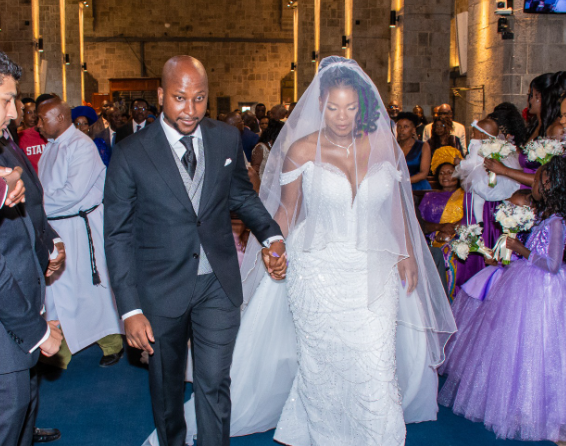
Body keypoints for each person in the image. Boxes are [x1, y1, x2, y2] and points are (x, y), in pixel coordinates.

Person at [143, 56, 457, 446]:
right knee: (322, 363)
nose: (341, 117)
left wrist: (406, 252)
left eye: (350, 107)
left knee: (374, 361)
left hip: (374, 270)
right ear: (320, 105)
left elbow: (396, 207)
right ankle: (324, 434)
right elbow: (287, 210)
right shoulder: (303, 149)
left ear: (363, 106)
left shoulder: (383, 145)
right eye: (332, 107)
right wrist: (272, 245)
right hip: (317, 270)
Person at [104, 55, 286, 446]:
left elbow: (240, 194)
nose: (191, 110)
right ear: (161, 95)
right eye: (180, 98)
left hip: (217, 284)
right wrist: (130, 309)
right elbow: (117, 234)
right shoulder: (131, 152)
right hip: (160, 289)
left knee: (215, 383)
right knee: (168, 391)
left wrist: (272, 234)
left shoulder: (224, 137)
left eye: (199, 99)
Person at [439, 156, 566, 443]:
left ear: (549, 184)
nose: (532, 183)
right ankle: (520, 404)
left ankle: (541, 410)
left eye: (537, 180)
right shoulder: (545, 216)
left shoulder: (557, 221)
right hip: (526, 284)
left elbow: (554, 264)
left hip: (543, 291)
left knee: (540, 348)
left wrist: (521, 248)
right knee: (518, 347)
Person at [0, 50, 63, 446]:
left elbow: (31, 206)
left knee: (22, 412)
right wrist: (37, 332)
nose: (13, 112)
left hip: (22, 308)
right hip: (9, 324)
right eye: (5, 100)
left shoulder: (5, 142)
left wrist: (49, 242)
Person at [36, 97, 124, 369]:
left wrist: (34, 206)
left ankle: (112, 342)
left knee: (90, 290)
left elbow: (72, 194)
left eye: (42, 119)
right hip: (56, 228)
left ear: (60, 118)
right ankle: (62, 347)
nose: (37, 125)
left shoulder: (82, 146)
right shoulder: (52, 147)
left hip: (80, 227)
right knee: (57, 292)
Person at [419, 146, 485, 299]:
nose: (445, 176)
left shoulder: (467, 196)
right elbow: (421, 223)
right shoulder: (429, 196)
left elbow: (472, 220)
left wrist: (452, 232)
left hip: (460, 239)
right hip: (434, 239)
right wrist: (439, 228)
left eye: (450, 172)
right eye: (441, 173)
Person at [396, 111, 431, 190]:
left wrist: (406, 181)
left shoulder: (423, 146)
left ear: (413, 130)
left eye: (405, 127)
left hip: (417, 187)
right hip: (397, 188)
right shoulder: (394, 147)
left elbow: (424, 173)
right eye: (399, 126)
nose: (401, 130)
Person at [17, 99, 47, 173]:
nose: (33, 116)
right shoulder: (19, 137)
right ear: (23, 115)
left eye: (35, 112)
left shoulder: (46, 134)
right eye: (28, 112)